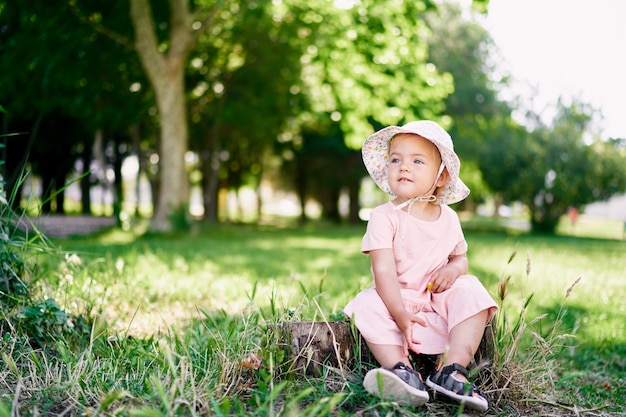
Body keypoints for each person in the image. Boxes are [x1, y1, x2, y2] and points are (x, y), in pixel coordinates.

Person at [344, 120, 498, 411]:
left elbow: (460, 259)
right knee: (365, 302)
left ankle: (452, 371)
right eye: (396, 159)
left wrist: (452, 271)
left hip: (434, 303)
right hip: (393, 301)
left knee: (472, 289)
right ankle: (401, 371)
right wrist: (400, 313)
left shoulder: (449, 218)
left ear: (441, 177)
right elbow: (384, 271)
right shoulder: (383, 216)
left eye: (417, 161)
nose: (404, 167)